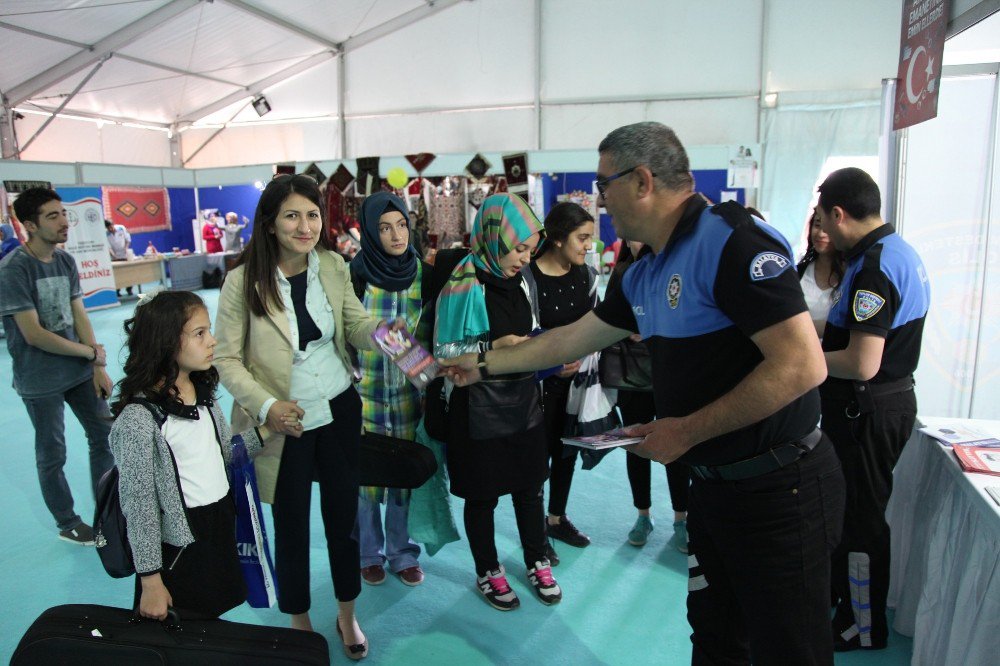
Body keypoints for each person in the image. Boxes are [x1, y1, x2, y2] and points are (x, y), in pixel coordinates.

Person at [442, 122, 844, 664]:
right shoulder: (644, 271)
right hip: (715, 489)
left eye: (605, 186)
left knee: (788, 649)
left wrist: (685, 431)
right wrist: (484, 363)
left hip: (780, 489)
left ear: (643, 181)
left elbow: (801, 364)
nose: (599, 199)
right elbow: (566, 339)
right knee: (716, 638)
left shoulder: (731, 241)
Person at [214, 174, 382, 660]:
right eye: (292, 215)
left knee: (343, 520)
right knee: (291, 523)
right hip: (280, 423)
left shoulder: (332, 265)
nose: (305, 225)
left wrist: (399, 339)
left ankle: (348, 614)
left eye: (312, 215)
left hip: (338, 407)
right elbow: (227, 359)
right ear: (269, 223)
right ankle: (299, 620)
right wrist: (267, 406)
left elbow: (354, 323)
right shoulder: (241, 281)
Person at [815, 167, 930, 652]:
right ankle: (850, 610)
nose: (821, 228)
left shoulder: (874, 269)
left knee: (860, 520)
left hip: (867, 411)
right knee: (856, 513)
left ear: (839, 214)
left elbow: (863, 362)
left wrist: (802, 362)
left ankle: (862, 626)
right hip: (881, 406)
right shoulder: (894, 252)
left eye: (823, 218)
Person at [434, 193, 562, 611]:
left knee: (530, 489)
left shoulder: (524, 282)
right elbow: (438, 355)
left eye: (530, 249)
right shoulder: (460, 283)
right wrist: (496, 345)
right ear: (493, 238)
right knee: (483, 496)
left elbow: (535, 333)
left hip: (524, 402)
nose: (525, 258)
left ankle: (537, 558)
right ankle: (488, 570)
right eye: (518, 247)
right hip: (476, 408)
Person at [109, 291, 265, 620]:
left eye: (209, 331)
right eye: (200, 334)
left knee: (211, 617)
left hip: (217, 524)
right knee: (185, 626)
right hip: (180, 544)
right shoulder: (139, 421)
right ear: (165, 341)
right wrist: (151, 580)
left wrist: (266, 433)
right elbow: (140, 508)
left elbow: (224, 454)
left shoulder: (204, 397)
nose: (212, 341)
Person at [0, 187, 115, 545]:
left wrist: (96, 363)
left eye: (63, 213)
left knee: (103, 437)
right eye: (53, 216)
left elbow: (79, 313)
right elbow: (33, 334)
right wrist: (87, 353)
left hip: (80, 372)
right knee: (53, 454)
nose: (64, 221)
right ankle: (67, 522)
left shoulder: (65, 261)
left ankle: (107, 513)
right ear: (30, 225)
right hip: (40, 379)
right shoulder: (14, 270)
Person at [350, 192, 427, 588]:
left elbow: (429, 330)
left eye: (400, 224)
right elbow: (345, 331)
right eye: (384, 227)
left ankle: (402, 551)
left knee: (402, 475)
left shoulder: (421, 272)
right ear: (369, 231)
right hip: (365, 393)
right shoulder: (356, 272)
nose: (396, 235)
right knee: (365, 478)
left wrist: (428, 377)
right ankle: (367, 552)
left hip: (408, 395)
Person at [521, 201, 597, 562]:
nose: (587, 246)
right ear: (557, 239)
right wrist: (551, 364)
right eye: (581, 238)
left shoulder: (587, 276)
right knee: (537, 463)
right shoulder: (527, 278)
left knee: (566, 452)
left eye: (589, 239)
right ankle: (536, 534)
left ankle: (556, 518)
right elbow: (521, 337)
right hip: (537, 389)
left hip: (576, 388)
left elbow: (591, 327)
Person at [611, 241, 690, 552]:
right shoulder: (621, 274)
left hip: (671, 373)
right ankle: (642, 514)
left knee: (677, 447)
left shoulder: (676, 268)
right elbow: (607, 321)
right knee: (635, 445)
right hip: (631, 375)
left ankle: (681, 518)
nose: (635, 240)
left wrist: (655, 328)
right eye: (629, 235)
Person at [797, 207, 844, 338]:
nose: (821, 234)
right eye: (817, 225)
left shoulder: (851, 275)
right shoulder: (797, 273)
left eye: (827, 228)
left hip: (835, 356)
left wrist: (799, 327)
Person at [105, 219, 134, 296]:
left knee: (127, 273)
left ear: (113, 224)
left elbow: (128, 240)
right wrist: (114, 255)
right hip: (115, 256)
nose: (111, 229)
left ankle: (129, 289)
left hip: (124, 254)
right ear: (106, 228)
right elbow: (108, 247)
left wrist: (126, 248)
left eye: (111, 227)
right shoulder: (106, 233)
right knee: (117, 275)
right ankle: (117, 291)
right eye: (109, 228)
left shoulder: (121, 228)